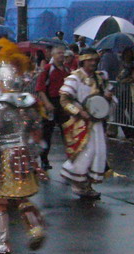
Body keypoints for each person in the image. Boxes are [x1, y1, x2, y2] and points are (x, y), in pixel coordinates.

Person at [0, 40, 46, 254]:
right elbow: (37, 135)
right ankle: (35, 228)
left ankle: (0, 243)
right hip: (23, 156)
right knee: (23, 197)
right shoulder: (30, 105)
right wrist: (36, 159)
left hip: (1, 158)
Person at [59, 48, 111, 199]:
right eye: (90, 60)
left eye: (95, 60)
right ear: (82, 61)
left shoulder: (100, 78)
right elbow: (64, 100)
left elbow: (105, 98)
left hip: (96, 123)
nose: (93, 63)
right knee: (85, 154)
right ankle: (79, 185)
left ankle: (87, 185)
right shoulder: (74, 78)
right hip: (80, 123)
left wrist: (107, 97)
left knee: (98, 153)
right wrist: (79, 111)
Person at [35, 43, 70, 170]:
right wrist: (47, 103)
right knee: (47, 134)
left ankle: (71, 158)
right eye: (59, 53)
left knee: (67, 131)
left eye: (63, 53)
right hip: (50, 102)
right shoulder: (47, 69)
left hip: (63, 103)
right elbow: (40, 89)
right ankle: (44, 159)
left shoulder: (67, 70)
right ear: (53, 55)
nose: (61, 55)